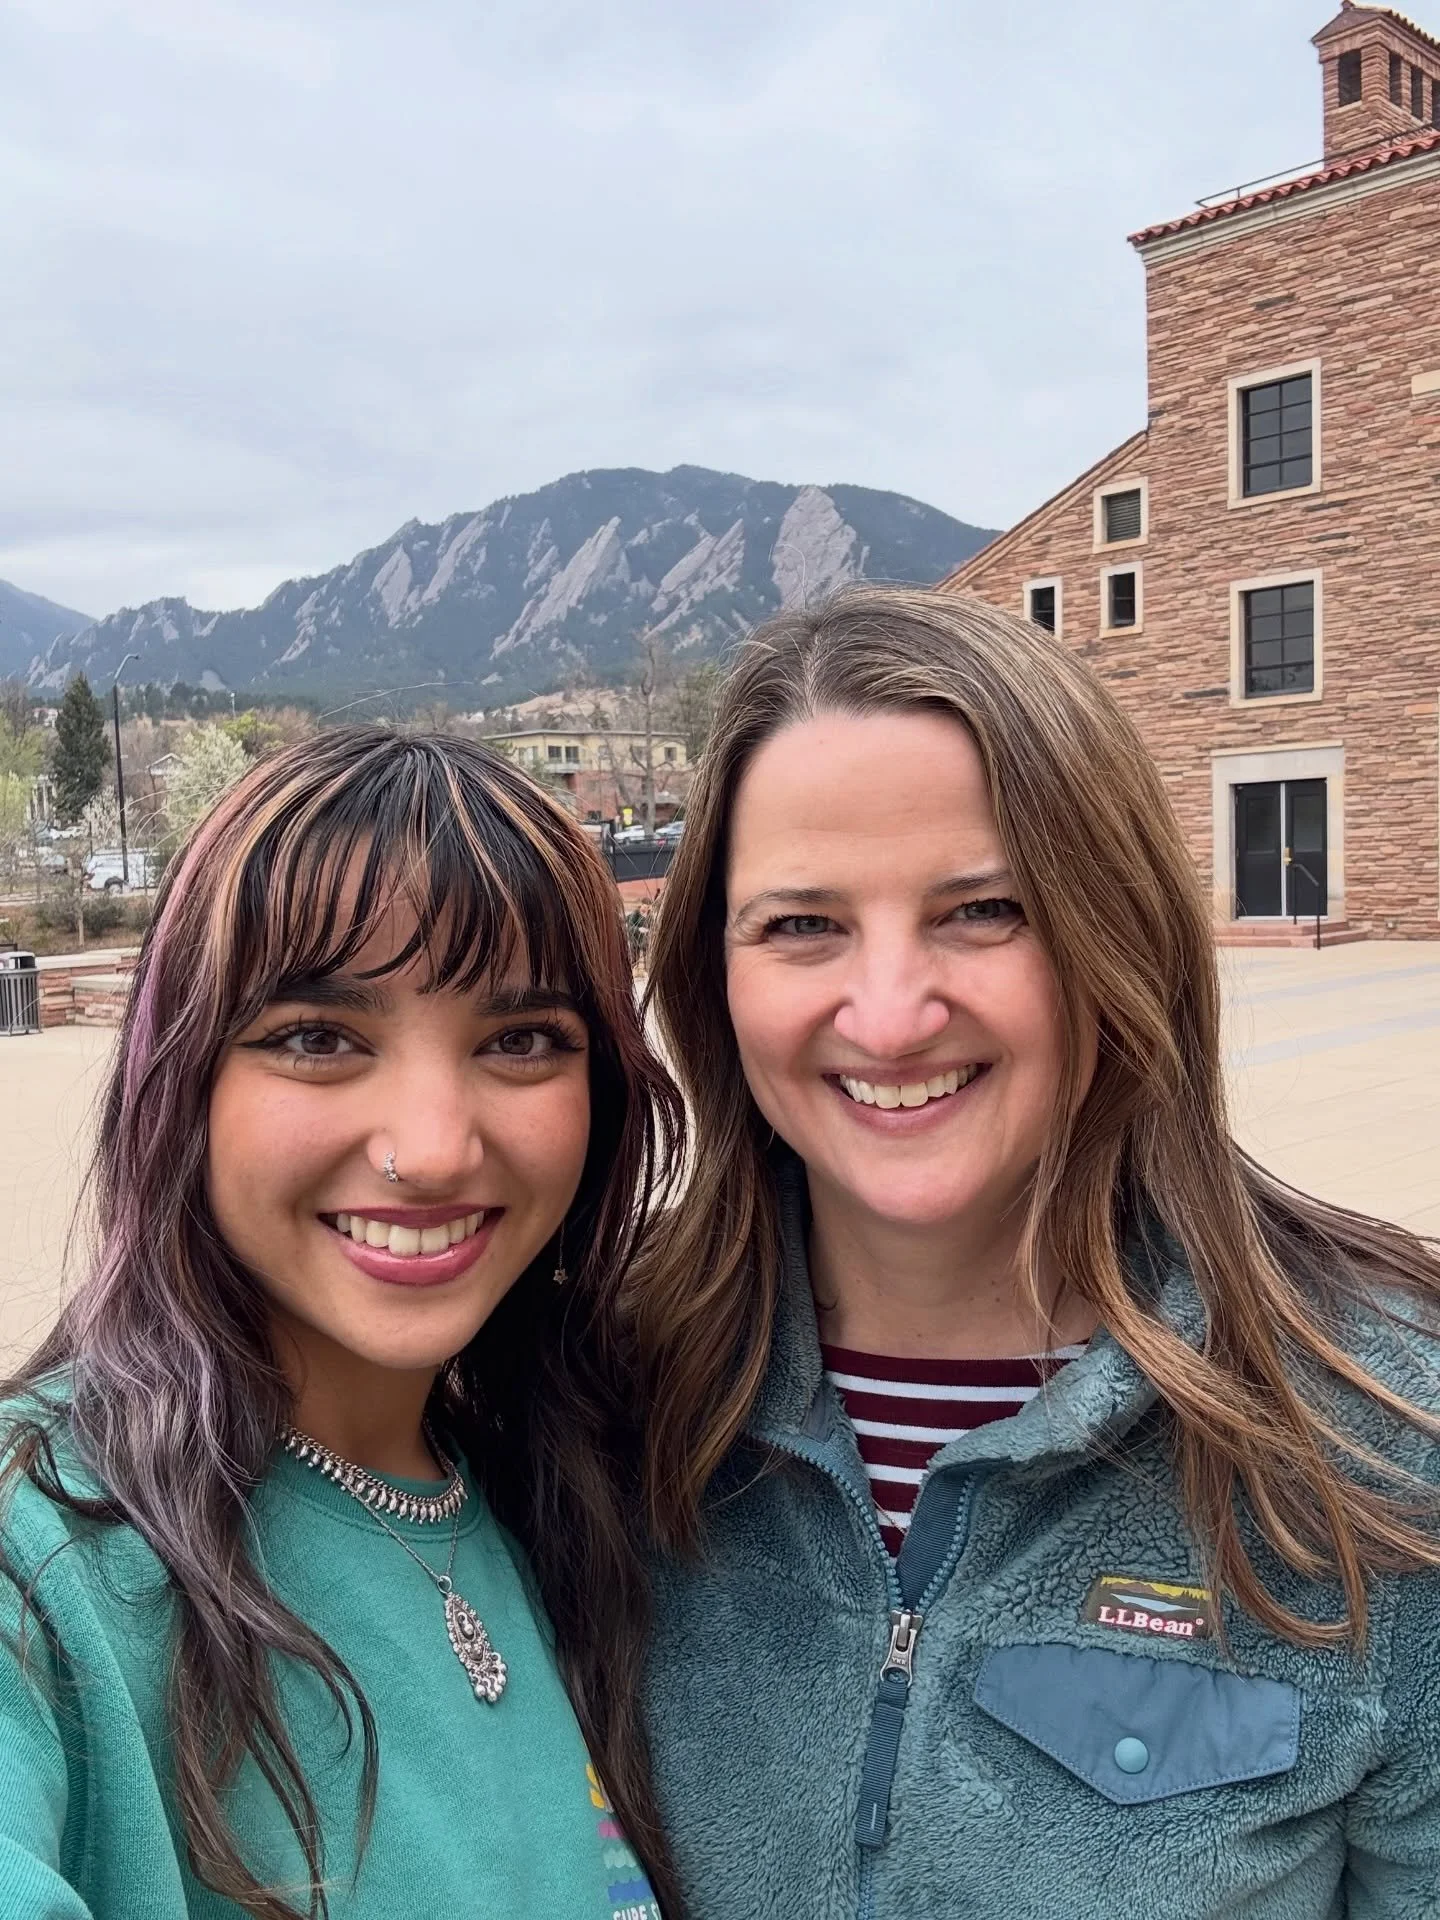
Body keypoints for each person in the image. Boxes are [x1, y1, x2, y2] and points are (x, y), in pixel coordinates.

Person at [634, 585, 1440, 1919]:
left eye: (984, 910)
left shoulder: (1384, 1444)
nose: (889, 1015)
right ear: (713, 975)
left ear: (1117, 935)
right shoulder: (593, 1402)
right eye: (801, 924)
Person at [0, 729, 680, 1920]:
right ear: (181, 1080)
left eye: (521, 1041)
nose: (430, 1150)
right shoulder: (45, 1555)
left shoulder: (576, 1489)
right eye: (318, 1039)